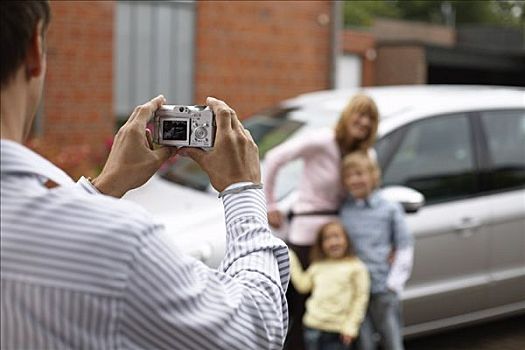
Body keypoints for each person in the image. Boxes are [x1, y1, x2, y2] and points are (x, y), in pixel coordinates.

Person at [0, 2, 289, 349]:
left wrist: (104, 188)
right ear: (35, 49)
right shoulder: (122, 246)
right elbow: (257, 328)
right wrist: (243, 190)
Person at [263, 93, 379, 349]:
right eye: (360, 114)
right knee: (304, 311)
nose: (364, 122)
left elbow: (370, 197)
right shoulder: (323, 140)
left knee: (331, 313)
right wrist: (269, 203)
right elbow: (274, 158)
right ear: (348, 115)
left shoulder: (366, 155)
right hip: (307, 237)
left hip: (337, 239)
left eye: (371, 118)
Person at [339, 151, 414, 350]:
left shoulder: (389, 208)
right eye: (348, 176)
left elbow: (404, 246)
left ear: (373, 175)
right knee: (363, 342)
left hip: (382, 287)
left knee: (391, 339)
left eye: (359, 173)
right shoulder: (345, 210)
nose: (354, 180)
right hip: (356, 290)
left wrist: (393, 284)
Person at [289, 221, 370, 350]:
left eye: (337, 236)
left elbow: (360, 298)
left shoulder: (356, 267)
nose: (333, 242)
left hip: (337, 331)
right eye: (327, 238)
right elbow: (303, 286)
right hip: (312, 327)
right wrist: (290, 256)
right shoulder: (318, 265)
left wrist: (351, 326)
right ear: (321, 244)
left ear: (347, 240)